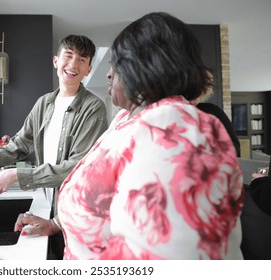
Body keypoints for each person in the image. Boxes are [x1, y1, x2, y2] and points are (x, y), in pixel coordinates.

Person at [53, 12, 244, 259]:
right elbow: (103, 193)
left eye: (116, 63)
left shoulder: (176, 131)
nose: (109, 74)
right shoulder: (128, 118)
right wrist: (59, 223)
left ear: (144, 66)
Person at [0, 34, 108, 259]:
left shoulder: (94, 108)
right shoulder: (44, 103)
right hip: (52, 207)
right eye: (69, 55)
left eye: (82, 60)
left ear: (89, 70)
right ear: (56, 61)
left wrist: (17, 174)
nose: (73, 64)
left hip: (76, 213)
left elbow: (77, 168)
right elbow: (18, 146)